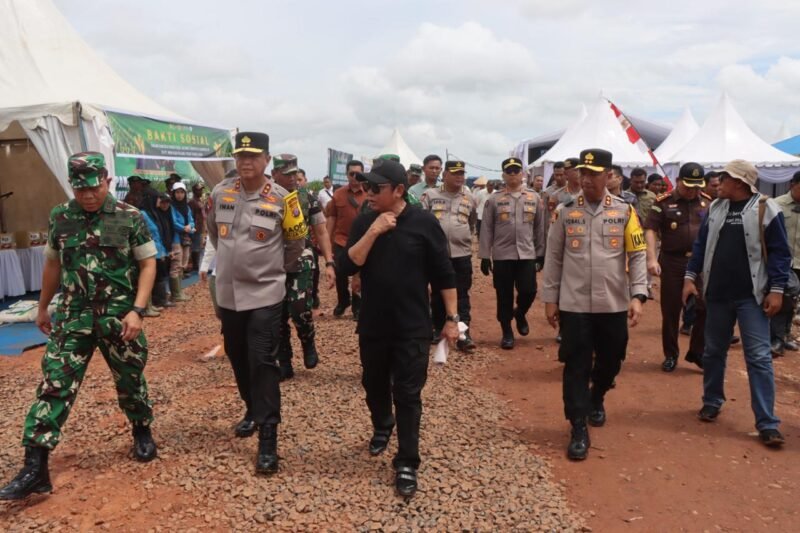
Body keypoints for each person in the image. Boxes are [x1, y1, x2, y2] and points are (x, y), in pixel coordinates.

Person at [0, 152, 158, 500]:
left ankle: (141, 429)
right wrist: (43, 307)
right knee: (54, 382)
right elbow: (53, 265)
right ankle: (35, 466)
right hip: (73, 315)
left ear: (105, 180)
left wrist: (137, 310)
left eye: (93, 188)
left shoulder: (129, 216)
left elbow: (148, 264)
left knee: (130, 378)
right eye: (79, 189)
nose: (87, 196)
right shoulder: (61, 216)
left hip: (119, 316)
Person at [337, 159, 458, 498]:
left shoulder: (423, 223)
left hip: (412, 326)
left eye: (376, 188)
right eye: (366, 187)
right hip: (374, 323)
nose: (368, 193)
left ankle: (407, 461)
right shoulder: (365, 222)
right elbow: (348, 265)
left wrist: (451, 318)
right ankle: (382, 423)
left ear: (399, 191)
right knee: (373, 384)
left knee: (407, 394)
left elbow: (443, 274)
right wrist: (374, 230)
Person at [206, 132, 307, 474]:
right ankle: (252, 408)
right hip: (229, 294)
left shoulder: (283, 198)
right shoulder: (221, 192)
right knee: (236, 354)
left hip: (265, 293)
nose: (246, 161)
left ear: (267, 159)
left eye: (253, 156)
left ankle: (268, 437)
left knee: (263, 360)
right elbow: (212, 233)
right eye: (240, 155)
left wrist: (276, 272)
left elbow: (295, 242)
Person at [542, 148, 648, 461]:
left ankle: (597, 395)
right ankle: (578, 426)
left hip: (613, 302)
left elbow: (638, 253)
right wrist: (550, 299)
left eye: (593, 174)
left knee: (611, 359)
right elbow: (554, 257)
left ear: (608, 175)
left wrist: (638, 295)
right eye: (583, 173)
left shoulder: (625, 211)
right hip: (574, 303)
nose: (586, 179)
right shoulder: (564, 212)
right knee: (576, 364)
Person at [683, 159, 790, 447]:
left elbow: (780, 254)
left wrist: (776, 290)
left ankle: (767, 422)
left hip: (751, 297)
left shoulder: (767, 210)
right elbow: (701, 245)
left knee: (758, 358)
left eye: (725, 178)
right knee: (714, 351)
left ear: (740, 183)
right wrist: (690, 277)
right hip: (717, 294)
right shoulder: (715, 208)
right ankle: (712, 400)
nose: (718, 182)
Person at [271, 154, 335, 380]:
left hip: (301, 259)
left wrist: (329, 262)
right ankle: (284, 361)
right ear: (274, 174)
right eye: (287, 174)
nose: (292, 179)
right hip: (271, 264)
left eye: (295, 174)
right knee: (276, 315)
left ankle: (308, 341)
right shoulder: (265, 198)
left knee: (299, 309)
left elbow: (321, 231)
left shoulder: (307, 197)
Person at [644, 163, 711, 372]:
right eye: (688, 185)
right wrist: (652, 258)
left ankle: (697, 351)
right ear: (678, 181)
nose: (692, 190)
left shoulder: (707, 202)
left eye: (696, 186)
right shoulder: (663, 202)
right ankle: (671, 354)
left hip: (700, 264)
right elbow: (650, 230)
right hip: (673, 262)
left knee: (704, 307)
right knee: (671, 310)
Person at [479, 157, 545, 349]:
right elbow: (487, 229)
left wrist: (540, 253)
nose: (513, 174)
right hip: (502, 255)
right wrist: (485, 255)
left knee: (529, 290)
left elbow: (539, 228)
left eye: (517, 171)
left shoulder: (534, 198)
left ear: (522, 174)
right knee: (504, 295)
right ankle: (507, 331)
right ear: (503, 175)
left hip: (526, 254)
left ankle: (520, 313)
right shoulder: (494, 200)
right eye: (509, 171)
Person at [420, 160, 477, 351]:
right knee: (437, 293)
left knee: (462, 294)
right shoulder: (430, 195)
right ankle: (437, 328)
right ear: (445, 175)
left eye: (462, 173)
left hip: (461, 254)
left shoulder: (469, 198)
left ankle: (463, 332)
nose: (459, 177)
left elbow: (471, 223)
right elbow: (422, 223)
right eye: (455, 173)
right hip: (437, 254)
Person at [326, 160, 366, 319]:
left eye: (358, 173)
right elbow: (331, 218)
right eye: (351, 173)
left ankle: (358, 305)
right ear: (346, 175)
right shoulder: (338, 194)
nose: (355, 177)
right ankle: (343, 301)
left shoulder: (370, 193)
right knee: (340, 273)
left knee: (360, 274)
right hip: (341, 240)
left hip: (363, 242)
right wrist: (327, 242)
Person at [770, 170, 800, 355]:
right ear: (792, 185)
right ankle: (776, 339)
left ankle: (786, 336)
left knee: (794, 303)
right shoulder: (777, 205)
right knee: (783, 301)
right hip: (784, 264)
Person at [169, 182, 195, 301]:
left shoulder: (187, 207)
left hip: (186, 237)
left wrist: (191, 226)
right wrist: (183, 227)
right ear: (173, 193)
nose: (179, 195)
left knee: (184, 263)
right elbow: (173, 222)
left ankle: (179, 291)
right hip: (176, 238)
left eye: (182, 192)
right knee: (176, 264)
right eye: (177, 192)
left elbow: (191, 219)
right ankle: (176, 294)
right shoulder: (171, 207)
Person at [188, 182, 206, 274]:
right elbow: (191, 215)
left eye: (201, 189)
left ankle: (196, 264)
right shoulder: (192, 202)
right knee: (195, 247)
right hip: (195, 227)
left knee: (198, 246)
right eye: (199, 190)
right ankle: (195, 266)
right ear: (195, 191)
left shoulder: (200, 200)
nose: (201, 191)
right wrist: (193, 226)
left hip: (200, 226)